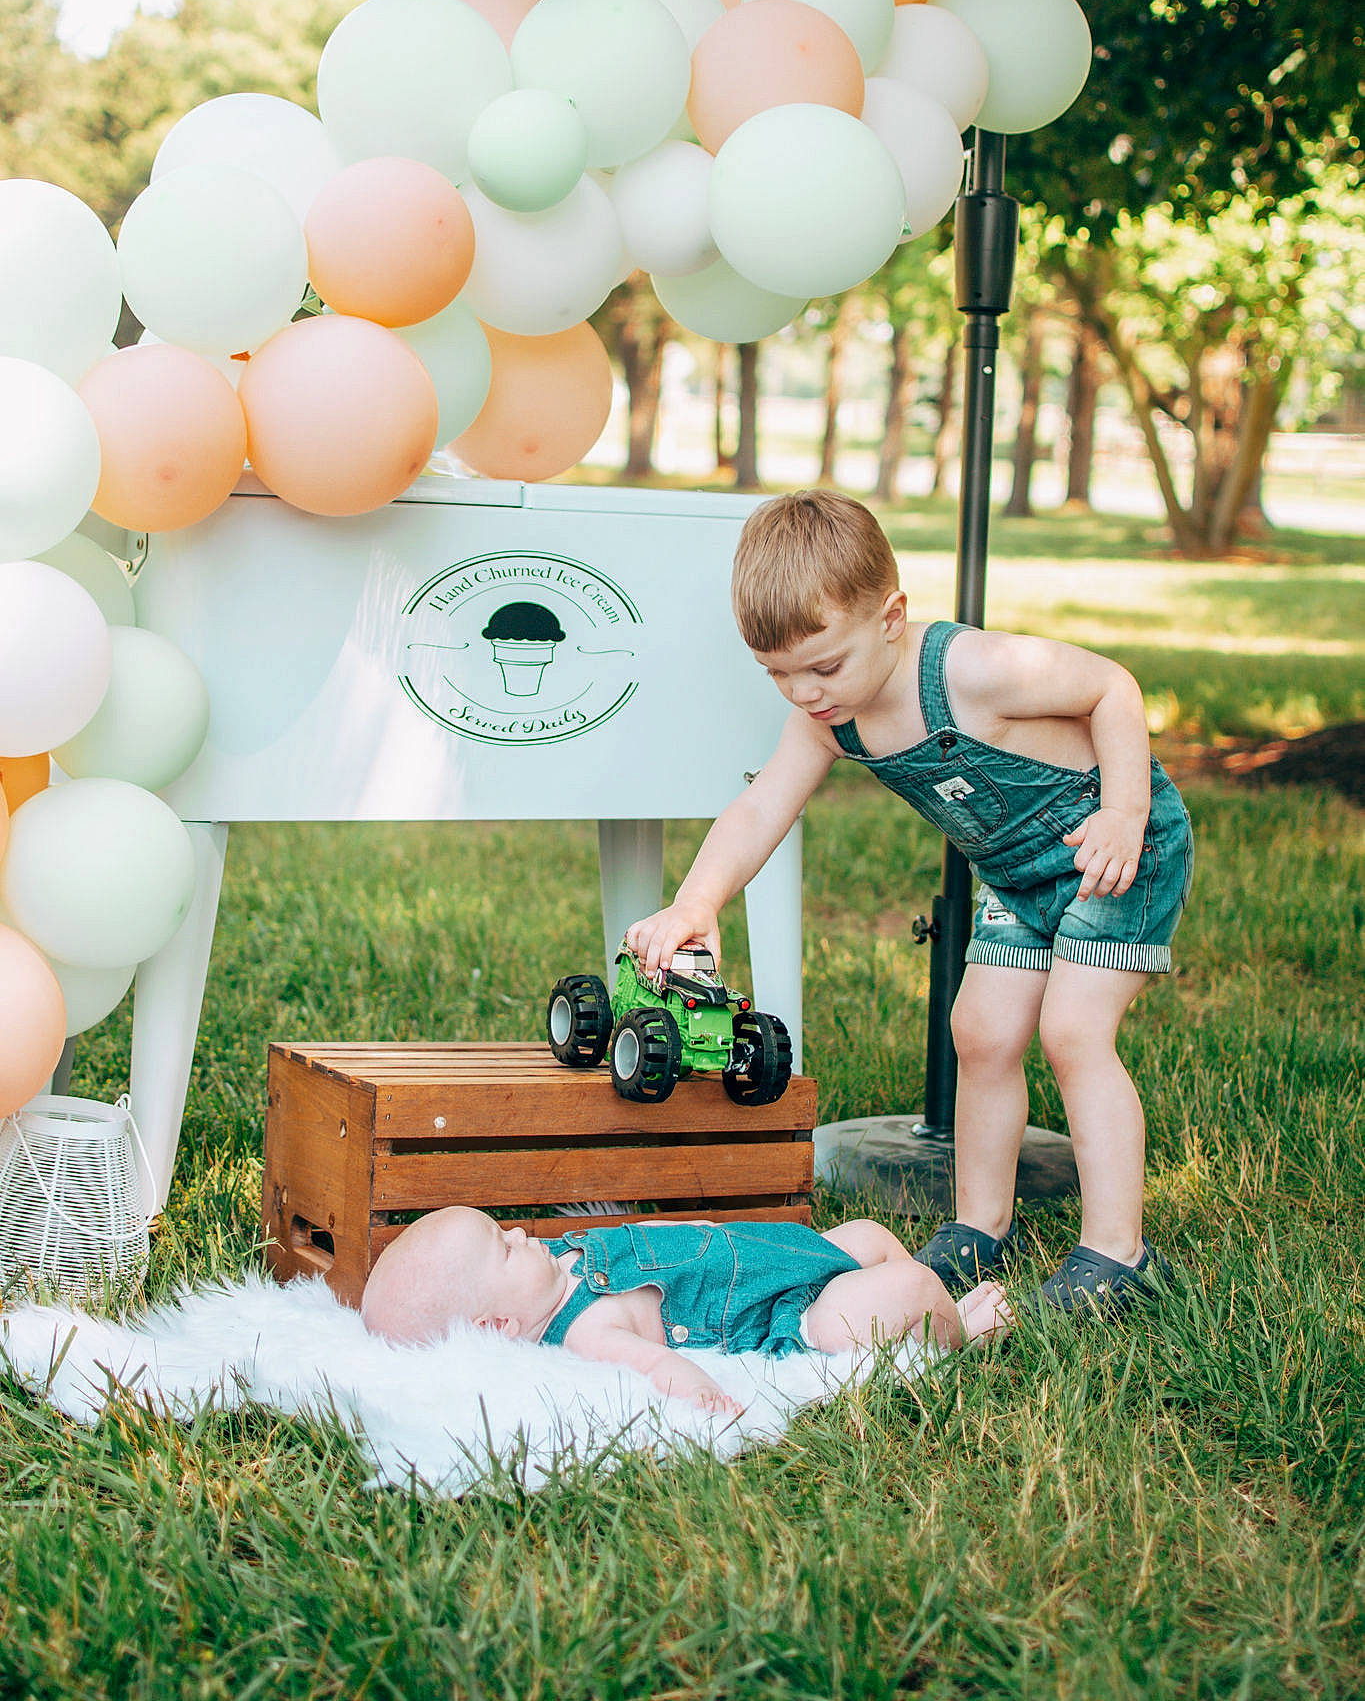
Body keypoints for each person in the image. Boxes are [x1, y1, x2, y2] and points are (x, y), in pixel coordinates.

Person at [626, 491, 1193, 1318]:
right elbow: (760, 807)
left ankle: (1118, 1253)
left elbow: (1112, 688)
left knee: (1072, 1031)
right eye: (777, 675)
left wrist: (1123, 814)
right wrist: (697, 901)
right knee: (981, 1033)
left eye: (822, 667)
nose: (804, 694)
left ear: (891, 616)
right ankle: (976, 1226)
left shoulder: (971, 671)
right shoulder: (832, 722)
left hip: (1111, 855)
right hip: (1020, 878)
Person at [361, 1206, 1009, 1416]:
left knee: (866, 1234)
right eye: (504, 1250)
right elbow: (656, 1366)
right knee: (898, 1289)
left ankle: (937, 1308)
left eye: (501, 1229)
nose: (518, 1236)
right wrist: (710, 1404)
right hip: (785, 1308)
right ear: (498, 1327)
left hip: (778, 1254)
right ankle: (955, 1335)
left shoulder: (552, 1264)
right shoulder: (585, 1330)